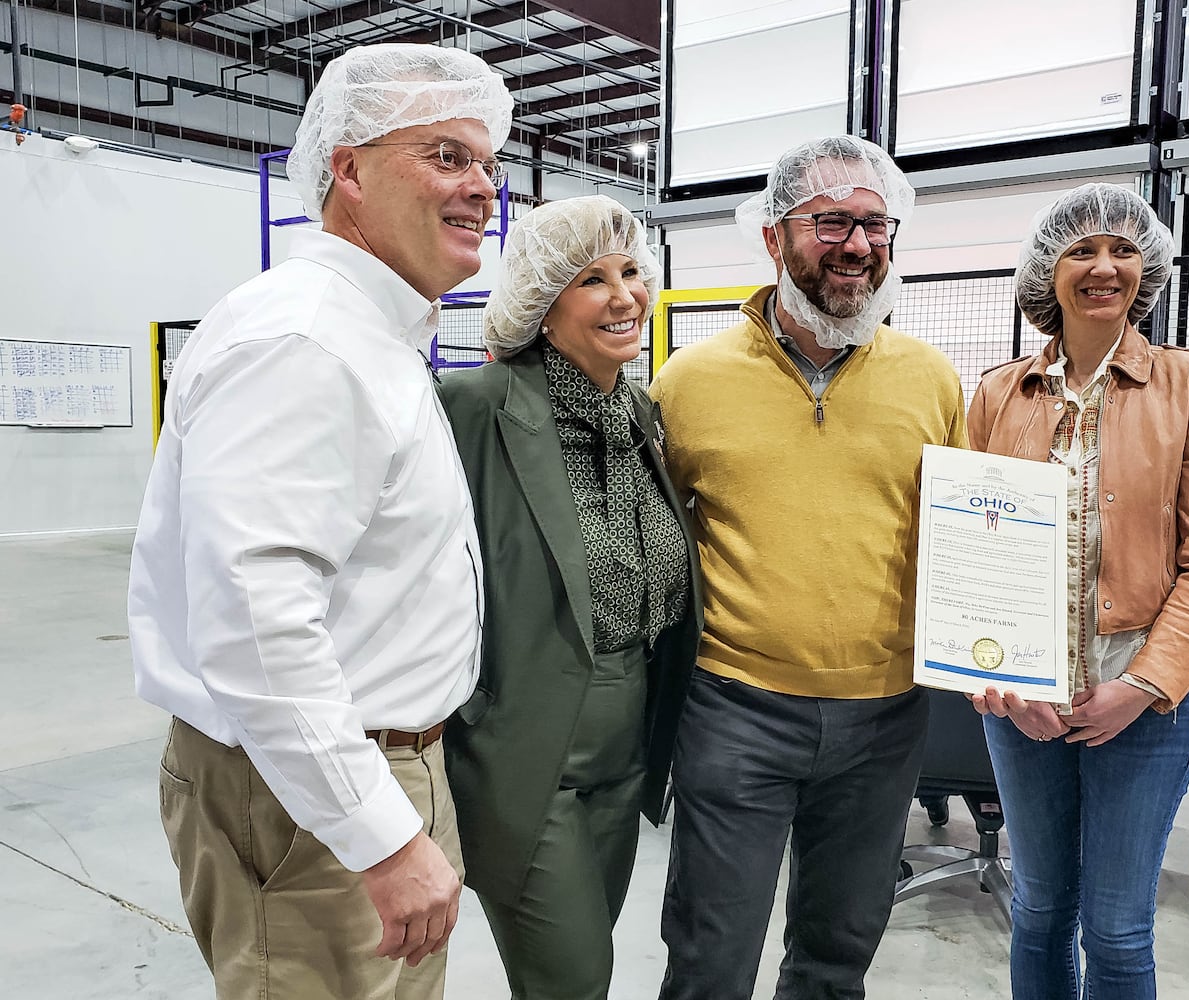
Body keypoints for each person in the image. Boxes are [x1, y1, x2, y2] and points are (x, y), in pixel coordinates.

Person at [127, 43, 512, 999]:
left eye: (489, 164)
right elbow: (256, 619)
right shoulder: (306, 341)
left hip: (351, 772)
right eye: (447, 156)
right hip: (310, 795)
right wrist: (380, 837)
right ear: (347, 168)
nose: (483, 189)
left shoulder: (369, 332)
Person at [650, 135, 968, 1000]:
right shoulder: (689, 382)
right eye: (830, 221)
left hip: (885, 720)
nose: (857, 246)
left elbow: (967, 541)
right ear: (773, 237)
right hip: (734, 711)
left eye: (875, 225)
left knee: (838, 955)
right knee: (711, 956)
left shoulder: (932, 382)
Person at [967, 182, 1189, 999]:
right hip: (1026, 709)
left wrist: (1143, 685)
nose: (1104, 265)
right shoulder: (996, 394)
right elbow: (975, 561)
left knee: (1118, 928)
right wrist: (1000, 679)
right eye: (1081, 249)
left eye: (1123, 249)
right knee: (1041, 909)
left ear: (1146, 271)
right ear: (1046, 273)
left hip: (1146, 705)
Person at [438, 194, 703, 1000]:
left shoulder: (640, 411)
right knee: (574, 980)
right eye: (591, 279)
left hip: (628, 750)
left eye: (630, 271)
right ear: (540, 305)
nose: (623, 295)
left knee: (591, 961)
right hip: (525, 749)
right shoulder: (477, 408)